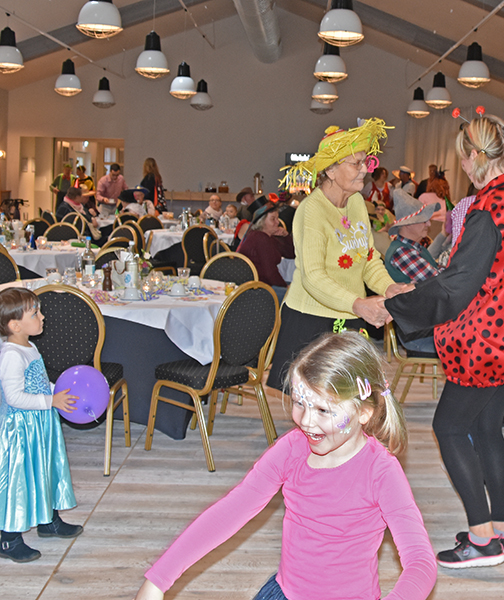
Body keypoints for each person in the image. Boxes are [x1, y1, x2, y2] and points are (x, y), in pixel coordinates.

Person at [134, 331, 436, 600]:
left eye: (323, 410)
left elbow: (421, 562)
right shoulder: (291, 449)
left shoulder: (381, 472)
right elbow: (231, 510)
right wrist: (159, 579)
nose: (306, 421)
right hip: (285, 592)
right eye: (299, 402)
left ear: (364, 413)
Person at [385, 114, 504, 568]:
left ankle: (482, 540)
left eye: (463, 156)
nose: (460, 165)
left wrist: (396, 306)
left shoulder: (488, 209)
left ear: (477, 156)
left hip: (491, 341)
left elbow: (457, 287)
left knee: (449, 427)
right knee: (486, 428)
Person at [266, 119, 406, 391]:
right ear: (330, 170)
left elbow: (368, 259)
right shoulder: (311, 210)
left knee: (348, 397)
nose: (365, 169)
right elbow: (313, 277)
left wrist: (389, 288)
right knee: (310, 403)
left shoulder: (356, 202)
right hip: (310, 319)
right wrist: (359, 304)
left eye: (366, 162)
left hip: (350, 314)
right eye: (356, 163)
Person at [0, 288, 83, 563]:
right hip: (20, 431)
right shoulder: (11, 355)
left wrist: (57, 391)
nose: (43, 317)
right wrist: (50, 401)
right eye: (35, 313)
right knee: (19, 480)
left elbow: (38, 381)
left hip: (38, 425)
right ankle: (9, 538)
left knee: (44, 470)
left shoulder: (29, 347)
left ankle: (48, 519)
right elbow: (14, 397)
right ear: (15, 326)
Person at [384, 189, 441, 354]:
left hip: (422, 327)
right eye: (424, 220)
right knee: (470, 339)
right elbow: (439, 283)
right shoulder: (402, 252)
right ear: (408, 224)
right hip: (418, 334)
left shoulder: (413, 248)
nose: (429, 224)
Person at [237, 203, 295, 303]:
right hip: (257, 289)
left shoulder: (266, 237)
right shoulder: (261, 239)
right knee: (298, 296)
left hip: (261, 284)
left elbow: (291, 254)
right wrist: (286, 286)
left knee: (298, 288)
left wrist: (285, 235)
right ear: (262, 222)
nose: (277, 222)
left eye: (277, 218)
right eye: (273, 219)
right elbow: (270, 273)